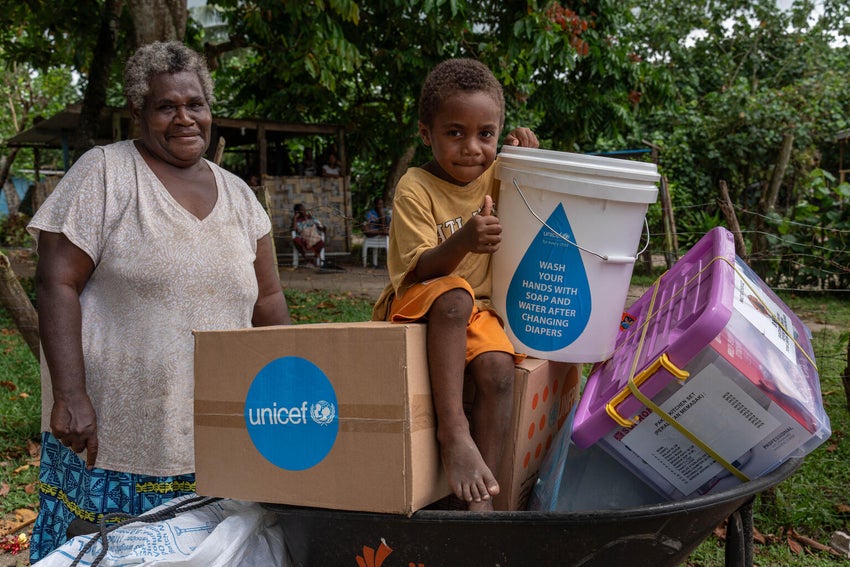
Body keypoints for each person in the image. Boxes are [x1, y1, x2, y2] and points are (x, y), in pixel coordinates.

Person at [26, 41, 292, 561]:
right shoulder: (104, 173)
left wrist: (293, 387)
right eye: (166, 106)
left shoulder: (239, 196)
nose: (184, 118)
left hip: (215, 436)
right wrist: (70, 393)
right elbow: (56, 282)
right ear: (138, 112)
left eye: (195, 104)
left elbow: (269, 303)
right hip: (114, 436)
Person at [372, 58, 538, 511]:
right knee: (452, 294)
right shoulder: (415, 186)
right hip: (419, 302)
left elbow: (538, 194)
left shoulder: (500, 173)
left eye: (485, 134)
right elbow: (422, 270)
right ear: (427, 133)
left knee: (499, 374)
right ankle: (454, 434)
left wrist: (529, 157)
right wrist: (464, 239)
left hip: (477, 311)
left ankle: (484, 498)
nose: (472, 148)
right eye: (455, 133)